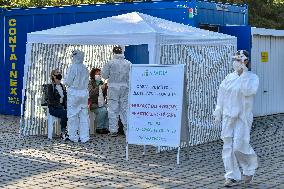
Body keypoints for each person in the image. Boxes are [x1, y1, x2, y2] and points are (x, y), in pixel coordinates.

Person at [213, 50, 259, 187]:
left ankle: (249, 169)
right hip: (228, 115)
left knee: (239, 145)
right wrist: (218, 110)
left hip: (243, 117)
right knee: (227, 145)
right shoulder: (229, 77)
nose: (237, 63)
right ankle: (231, 176)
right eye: (236, 60)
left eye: (240, 60)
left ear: (246, 61)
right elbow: (221, 95)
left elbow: (248, 91)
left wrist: (244, 73)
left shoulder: (252, 78)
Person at [102, 46, 131, 137]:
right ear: (122, 52)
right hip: (125, 88)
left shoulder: (110, 63)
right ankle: (128, 130)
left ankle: (113, 130)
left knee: (113, 109)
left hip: (113, 88)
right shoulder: (128, 63)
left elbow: (105, 76)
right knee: (125, 109)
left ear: (113, 52)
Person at [64, 50, 90, 143]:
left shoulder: (72, 67)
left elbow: (68, 82)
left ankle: (73, 136)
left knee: (73, 115)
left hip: (74, 93)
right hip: (84, 93)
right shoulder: (85, 68)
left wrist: (65, 79)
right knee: (84, 115)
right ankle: (85, 137)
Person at [47, 69, 68, 140]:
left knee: (71, 113)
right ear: (53, 76)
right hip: (53, 108)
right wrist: (61, 107)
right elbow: (51, 100)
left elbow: (65, 98)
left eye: (59, 72)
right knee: (64, 113)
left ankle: (71, 132)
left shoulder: (62, 86)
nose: (59, 74)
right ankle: (63, 132)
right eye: (57, 73)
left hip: (62, 107)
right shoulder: (51, 87)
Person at [88, 68, 109, 134]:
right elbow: (91, 93)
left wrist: (106, 88)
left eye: (100, 74)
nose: (99, 75)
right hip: (93, 104)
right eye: (98, 73)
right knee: (103, 110)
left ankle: (105, 127)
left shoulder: (101, 82)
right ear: (93, 74)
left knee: (109, 109)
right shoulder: (90, 82)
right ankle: (99, 128)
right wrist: (99, 88)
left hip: (101, 103)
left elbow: (104, 95)